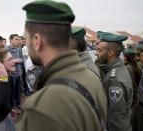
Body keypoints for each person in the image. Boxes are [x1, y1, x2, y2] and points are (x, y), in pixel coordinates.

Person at [20, 1, 107, 131]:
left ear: (37, 41)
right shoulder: (90, 75)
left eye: (26, 37)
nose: (26, 43)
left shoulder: (43, 106)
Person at [95, 31, 133, 131]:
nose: (96, 53)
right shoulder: (117, 69)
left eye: (99, 50)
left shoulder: (114, 79)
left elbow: (115, 118)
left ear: (111, 53)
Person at [7, 34, 25, 108]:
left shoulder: (19, 49)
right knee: (11, 91)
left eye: (18, 39)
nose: (18, 41)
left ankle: (18, 104)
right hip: (10, 74)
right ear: (10, 39)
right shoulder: (6, 49)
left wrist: (16, 61)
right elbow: (6, 61)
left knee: (18, 90)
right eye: (16, 39)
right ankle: (12, 106)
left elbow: (22, 59)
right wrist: (15, 60)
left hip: (18, 72)